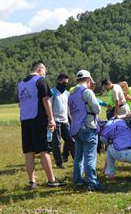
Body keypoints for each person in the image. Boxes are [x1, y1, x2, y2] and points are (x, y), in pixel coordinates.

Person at [17, 60, 65, 189]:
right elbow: (46, 100)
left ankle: (32, 181)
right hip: (39, 120)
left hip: (25, 121)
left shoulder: (21, 84)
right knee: (45, 150)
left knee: (29, 152)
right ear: (40, 69)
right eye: (44, 71)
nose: (45, 73)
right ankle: (51, 180)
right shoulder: (40, 81)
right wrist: (51, 119)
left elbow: (20, 103)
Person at [69, 70, 104, 191]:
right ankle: (92, 183)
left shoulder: (71, 94)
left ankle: (78, 180)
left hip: (76, 128)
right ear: (88, 80)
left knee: (78, 157)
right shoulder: (87, 92)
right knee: (90, 156)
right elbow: (97, 109)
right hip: (88, 126)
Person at [98, 118, 131, 185]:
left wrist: (110, 140)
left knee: (109, 147)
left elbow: (103, 140)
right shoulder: (122, 122)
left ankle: (110, 174)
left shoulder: (105, 130)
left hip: (118, 153)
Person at [51, 73, 75, 168]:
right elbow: (48, 106)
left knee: (71, 141)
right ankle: (59, 163)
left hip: (65, 122)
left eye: (66, 83)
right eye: (64, 82)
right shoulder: (52, 92)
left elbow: (69, 108)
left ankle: (77, 160)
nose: (65, 84)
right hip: (55, 121)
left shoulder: (67, 94)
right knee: (56, 143)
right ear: (59, 81)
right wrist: (51, 119)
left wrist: (71, 119)